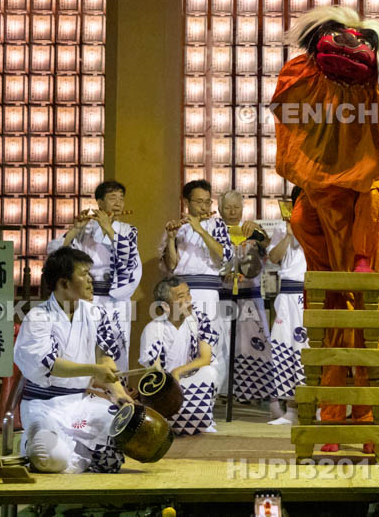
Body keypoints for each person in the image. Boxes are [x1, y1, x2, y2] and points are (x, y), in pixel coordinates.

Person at [273, 5, 379, 452]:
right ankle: (331, 421)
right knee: (332, 323)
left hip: (365, 200)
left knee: (372, 324)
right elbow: (288, 104)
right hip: (324, 203)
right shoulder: (307, 73)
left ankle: (368, 418)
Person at [13, 247, 131, 473]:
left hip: (80, 408)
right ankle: (34, 444)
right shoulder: (38, 317)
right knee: (49, 457)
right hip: (44, 406)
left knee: (121, 428)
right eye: (84, 274)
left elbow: (104, 358)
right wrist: (95, 370)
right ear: (64, 283)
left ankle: (76, 449)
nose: (90, 280)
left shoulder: (95, 313)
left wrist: (117, 392)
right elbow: (51, 365)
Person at [47, 180, 141, 370]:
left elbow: (129, 259)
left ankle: (116, 392)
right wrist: (76, 229)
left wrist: (109, 228)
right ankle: (86, 389)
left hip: (116, 297)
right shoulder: (85, 229)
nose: (118, 203)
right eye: (112, 198)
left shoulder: (128, 230)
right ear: (99, 203)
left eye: (121, 199)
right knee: (85, 342)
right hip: (86, 296)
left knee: (116, 344)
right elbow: (57, 255)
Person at [161, 179, 233, 393]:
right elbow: (171, 264)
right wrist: (171, 239)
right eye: (199, 202)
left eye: (207, 202)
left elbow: (224, 256)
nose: (204, 207)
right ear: (186, 202)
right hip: (182, 291)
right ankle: (179, 395)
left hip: (208, 290)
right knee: (182, 341)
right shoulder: (178, 227)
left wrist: (200, 230)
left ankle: (208, 398)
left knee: (210, 342)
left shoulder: (217, 225)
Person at [139, 276, 220, 435]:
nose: (188, 300)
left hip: (189, 380)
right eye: (181, 297)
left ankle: (202, 418)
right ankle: (172, 421)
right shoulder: (153, 329)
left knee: (210, 373)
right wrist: (171, 380)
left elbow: (205, 358)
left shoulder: (199, 320)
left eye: (188, 294)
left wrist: (178, 372)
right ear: (165, 306)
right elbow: (153, 372)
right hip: (166, 390)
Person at [217, 190, 276, 408]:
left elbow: (268, 248)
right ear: (220, 209)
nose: (232, 212)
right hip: (222, 295)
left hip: (249, 295)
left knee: (253, 345)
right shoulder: (214, 231)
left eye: (236, 207)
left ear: (243, 209)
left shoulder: (252, 230)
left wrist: (259, 233)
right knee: (221, 346)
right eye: (228, 208)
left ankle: (254, 393)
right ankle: (221, 391)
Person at [266, 186, 309, 425]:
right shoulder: (283, 227)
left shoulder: (321, 225)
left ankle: (320, 409)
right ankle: (291, 411)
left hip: (314, 293)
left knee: (310, 350)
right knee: (285, 347)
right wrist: (290, 234)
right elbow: (273, 258)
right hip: (288, 294)